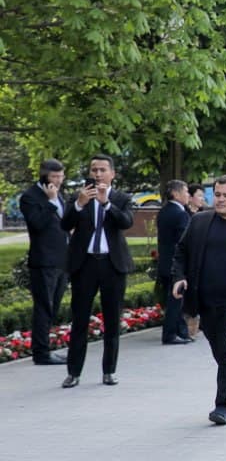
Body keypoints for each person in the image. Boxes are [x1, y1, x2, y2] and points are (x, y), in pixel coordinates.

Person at [172, 176, 226, 425]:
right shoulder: (200, 221)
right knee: (219, 351)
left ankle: (221, 405)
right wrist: (179, 278)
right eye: (217, 194)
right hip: (204, 299)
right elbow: (181, 252)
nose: (220, 200)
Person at [60, 155, 134, 388]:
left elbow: (125, 222)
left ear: (112, 174)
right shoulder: (79, 197)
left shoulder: (121, 198)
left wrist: (106, 204)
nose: (98, 174)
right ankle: (74, 372)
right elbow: (64, 224)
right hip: (85, 264)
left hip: (113, 265)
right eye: (94, 169)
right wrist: (80, 204)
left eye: (102, 170)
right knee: (79, 320)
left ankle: (109, 371)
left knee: (112, 320)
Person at [18, 159, 70, 365]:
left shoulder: (59, 196)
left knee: (54, 306)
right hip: (43, 260)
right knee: (44, 306)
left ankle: (47, 347)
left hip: (63, 259)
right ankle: (41, 353)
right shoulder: (30, 197)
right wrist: (50, 202)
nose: (58, 181)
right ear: (44, 176)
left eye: (61, 176)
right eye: (54, 177)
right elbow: (37, 224)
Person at [156, 180, 193, 345]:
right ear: (176, 194)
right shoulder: (180, 214)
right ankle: (170, 334)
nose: (188, 195)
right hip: (175, 265)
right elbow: (183, 242)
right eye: (186, 192)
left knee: (174, 301)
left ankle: (181, 332)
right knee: (175, 302)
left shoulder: (164, 211)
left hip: (164, 262)